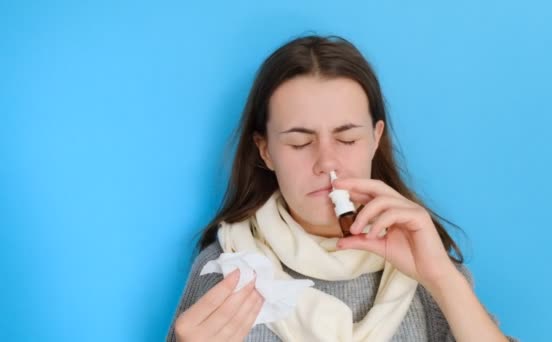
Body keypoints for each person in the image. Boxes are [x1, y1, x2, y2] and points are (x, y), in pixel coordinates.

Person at [166, 35, 517, 342]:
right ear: (266, 151)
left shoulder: (426, 260)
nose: (326, 162)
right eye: (300, 143)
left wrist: (440, 276)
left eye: (347, 138)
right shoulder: (228, 266)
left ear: (375, 140)